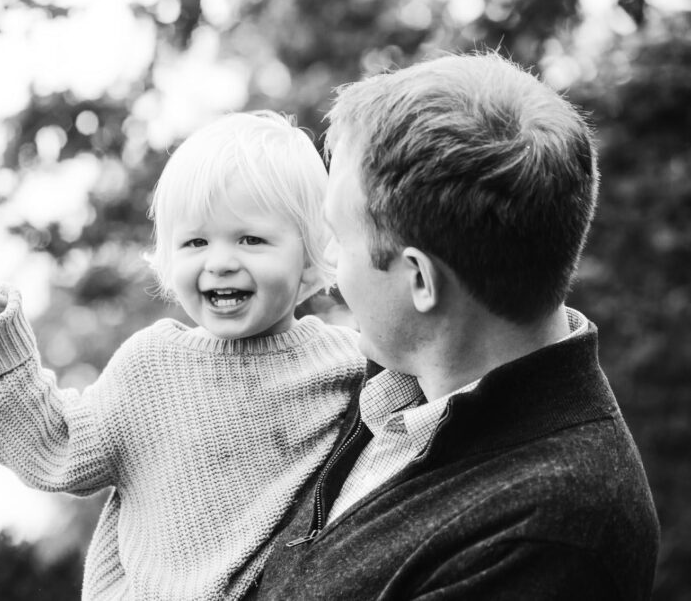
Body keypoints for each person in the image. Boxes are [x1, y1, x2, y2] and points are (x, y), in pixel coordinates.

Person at [254, 53, 660, 599]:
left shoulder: (544, 537)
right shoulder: (385, 372)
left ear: (420, 279)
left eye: (340, 238)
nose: (328, 261)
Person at [0, 111, 367, 600]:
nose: (220, 262)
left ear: (309, 260)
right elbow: (57, 444)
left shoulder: (347, 363)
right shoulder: (152, 369)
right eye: (195, 242)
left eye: (251, 239)